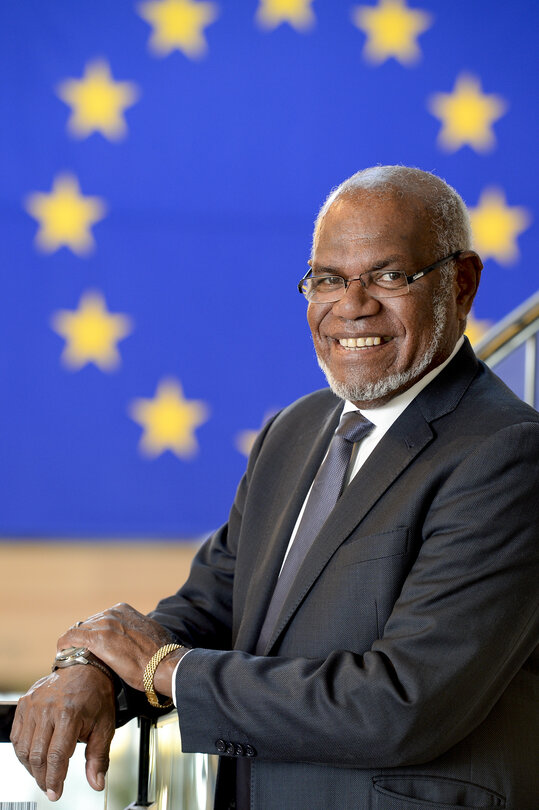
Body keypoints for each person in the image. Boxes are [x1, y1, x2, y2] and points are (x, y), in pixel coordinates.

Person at [11, 166, 539, 810]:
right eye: (328, 279)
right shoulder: (295, 430)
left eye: (389, 275)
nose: (352, 304)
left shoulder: (508, 453)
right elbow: (209, 608)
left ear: (462, 283)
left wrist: (166, 671)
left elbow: (402, 703)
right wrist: (93, 669)